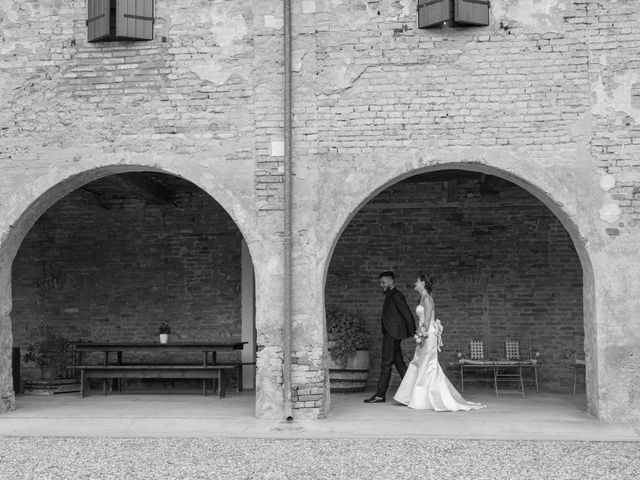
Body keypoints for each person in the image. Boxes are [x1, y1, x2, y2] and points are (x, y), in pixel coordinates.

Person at [393, 274, 485, 411]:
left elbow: (428, 318)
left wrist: (422, 335)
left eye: (417, 281)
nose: (415, 283)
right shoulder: (422, 298)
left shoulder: (428, 299)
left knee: (427, 364)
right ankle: (417, 397)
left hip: (428, 334)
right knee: (419, 362)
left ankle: (430, 398)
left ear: (423, 283)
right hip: (424, 332)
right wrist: (419, 332)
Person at [364, 271, 416, 404]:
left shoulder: (397, 295)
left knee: (386, 364)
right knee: (398, 363)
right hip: (391, 333)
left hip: (393, 334)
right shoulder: (390, 295)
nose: (381, 285)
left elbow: (407, 313)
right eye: (381, 283)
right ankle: (413, 390)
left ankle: (380, 394)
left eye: (383, 282)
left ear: (391, 281)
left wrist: (414, 332)